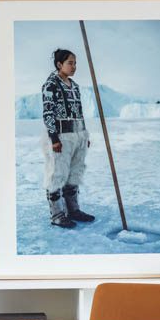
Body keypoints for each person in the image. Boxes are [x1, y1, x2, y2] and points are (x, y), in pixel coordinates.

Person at [41, 49, 95, 228]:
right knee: (58, 174)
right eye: (70, 63)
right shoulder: (51, 85)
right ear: (59, 64)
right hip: (61, 136)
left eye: (75, 63)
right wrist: (54, 138)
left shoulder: (75, 86)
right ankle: (57, 214)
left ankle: (73, 209)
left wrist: (84, 133)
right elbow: (48, 113)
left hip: (78, 135)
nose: (74, 67)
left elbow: (79, 112)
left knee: (74, 173)